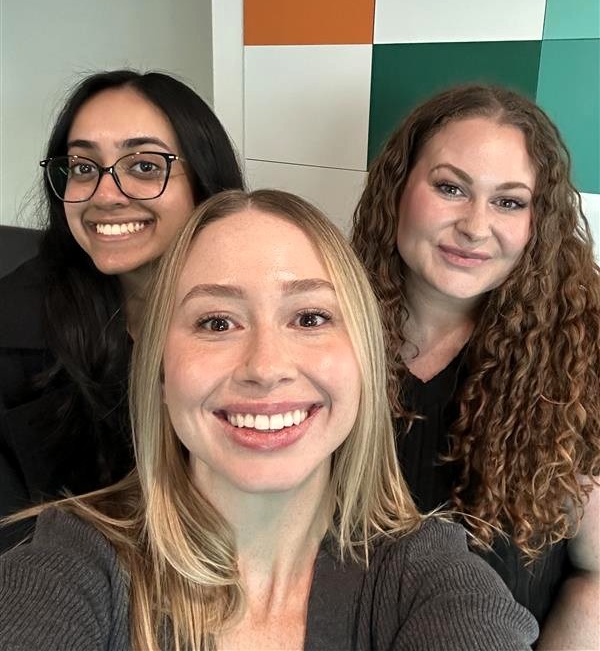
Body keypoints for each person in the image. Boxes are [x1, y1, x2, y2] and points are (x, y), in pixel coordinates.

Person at [0, 189, 537, 650]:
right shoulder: (72, 562)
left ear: (364, 362)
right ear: (161, 371)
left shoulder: (429, 577)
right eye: (216, 322)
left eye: (310, 317)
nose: (265, 367)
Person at [351, 84, 600, 649]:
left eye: (509, 202)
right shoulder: (322, 334)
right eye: (450, 188)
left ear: (539, 221)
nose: (474, 225)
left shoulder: (580, 363)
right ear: (398, 188)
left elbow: (595, 576)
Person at [0, 69, 243, 552]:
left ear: (203, 181)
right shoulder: (14, 334)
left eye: (145, 166)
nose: (105, 195)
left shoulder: (260, 309)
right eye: (83, 167)